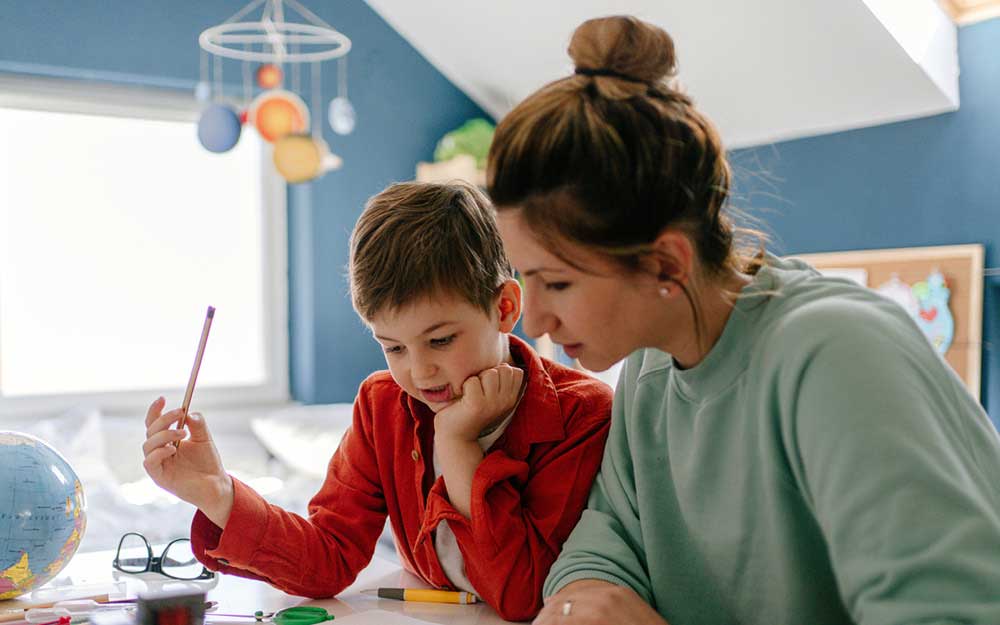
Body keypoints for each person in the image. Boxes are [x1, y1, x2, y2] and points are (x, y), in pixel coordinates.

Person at [486, 15, 1000, 625]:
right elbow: (605, 539)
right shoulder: (652, 367)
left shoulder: (836, 355)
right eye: (526, 278)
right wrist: (585, 601)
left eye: (559, 282)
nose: (534, 316)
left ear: (665, 262)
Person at [141, 182, 612, 621]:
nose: (420, 371)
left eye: (441, 340)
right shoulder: (382, 403)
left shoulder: (582, 414)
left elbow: (521, 595)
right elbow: (329, 558)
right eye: (394, 348)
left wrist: (458, 445)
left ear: (505, 307)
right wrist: (217, 493)